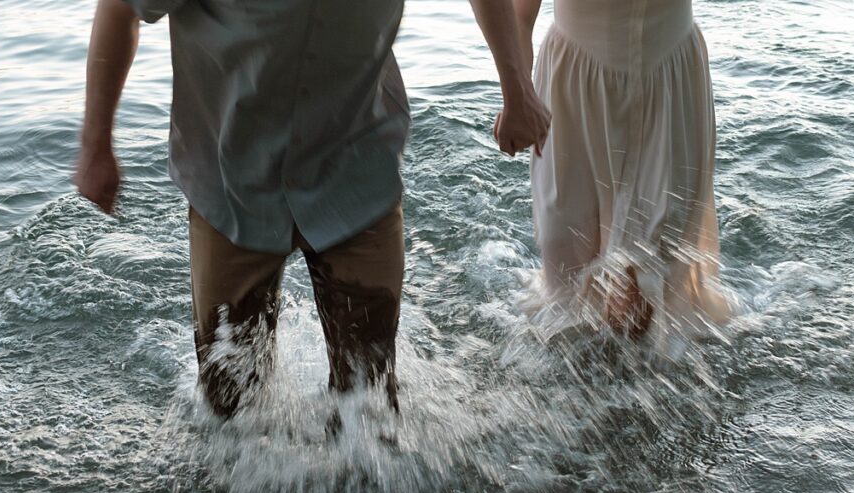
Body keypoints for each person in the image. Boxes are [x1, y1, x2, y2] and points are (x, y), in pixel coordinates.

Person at [75, 0, 550, 418]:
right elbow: (120, 8)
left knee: (369, 401)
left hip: (355, 165)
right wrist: (96, 145)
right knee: (229, 405)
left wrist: (517, 89)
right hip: (231, 177)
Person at [512, 0, 733, 349]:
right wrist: (516, 94)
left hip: (667, 84)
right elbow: (519, 15)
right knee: (566, 289)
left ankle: (632, 393)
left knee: (639, 288)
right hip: (572, 86)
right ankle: (575, 391)